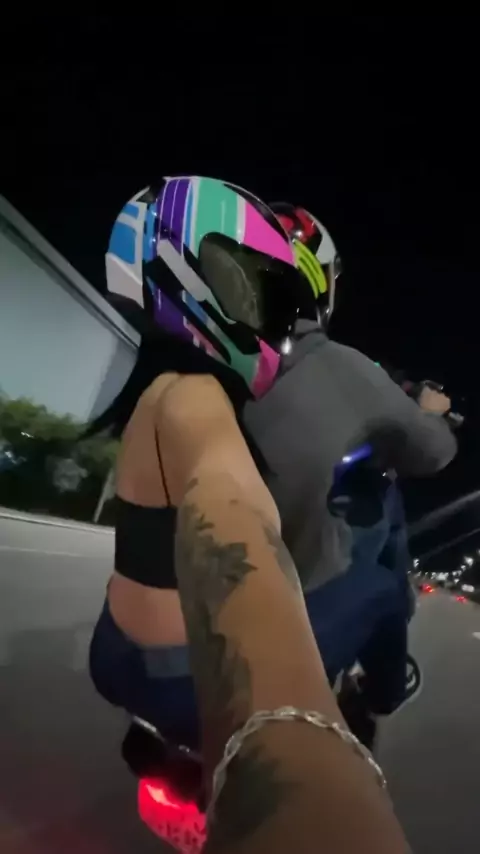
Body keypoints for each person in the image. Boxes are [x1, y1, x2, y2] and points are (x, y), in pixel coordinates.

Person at [88, 179, 457, 751]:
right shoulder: (313, 370)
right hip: (198, 680)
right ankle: (382, 693)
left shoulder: (169, 386)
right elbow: (431, 452)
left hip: (114, 654)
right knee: (384, 583)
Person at [129, 370, 412, 853]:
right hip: (261, 682)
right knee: (387, 593)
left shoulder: (241, 435)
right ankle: (381, 694)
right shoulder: (374, 488)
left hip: (162, 664)